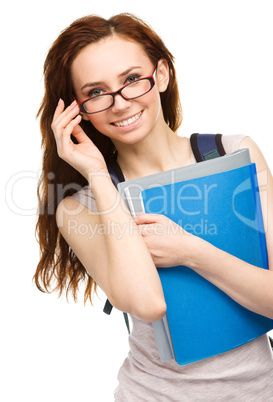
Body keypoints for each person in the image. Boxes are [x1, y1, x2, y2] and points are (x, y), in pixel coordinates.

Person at [34, 13, 273, 400]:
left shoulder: (234, 154)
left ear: (160, 74)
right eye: (96, 92)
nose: (119, 102)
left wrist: (192, 252)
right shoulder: (81, 207)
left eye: (131, 79)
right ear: (78, 110)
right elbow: (146, 303)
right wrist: (97, 173)